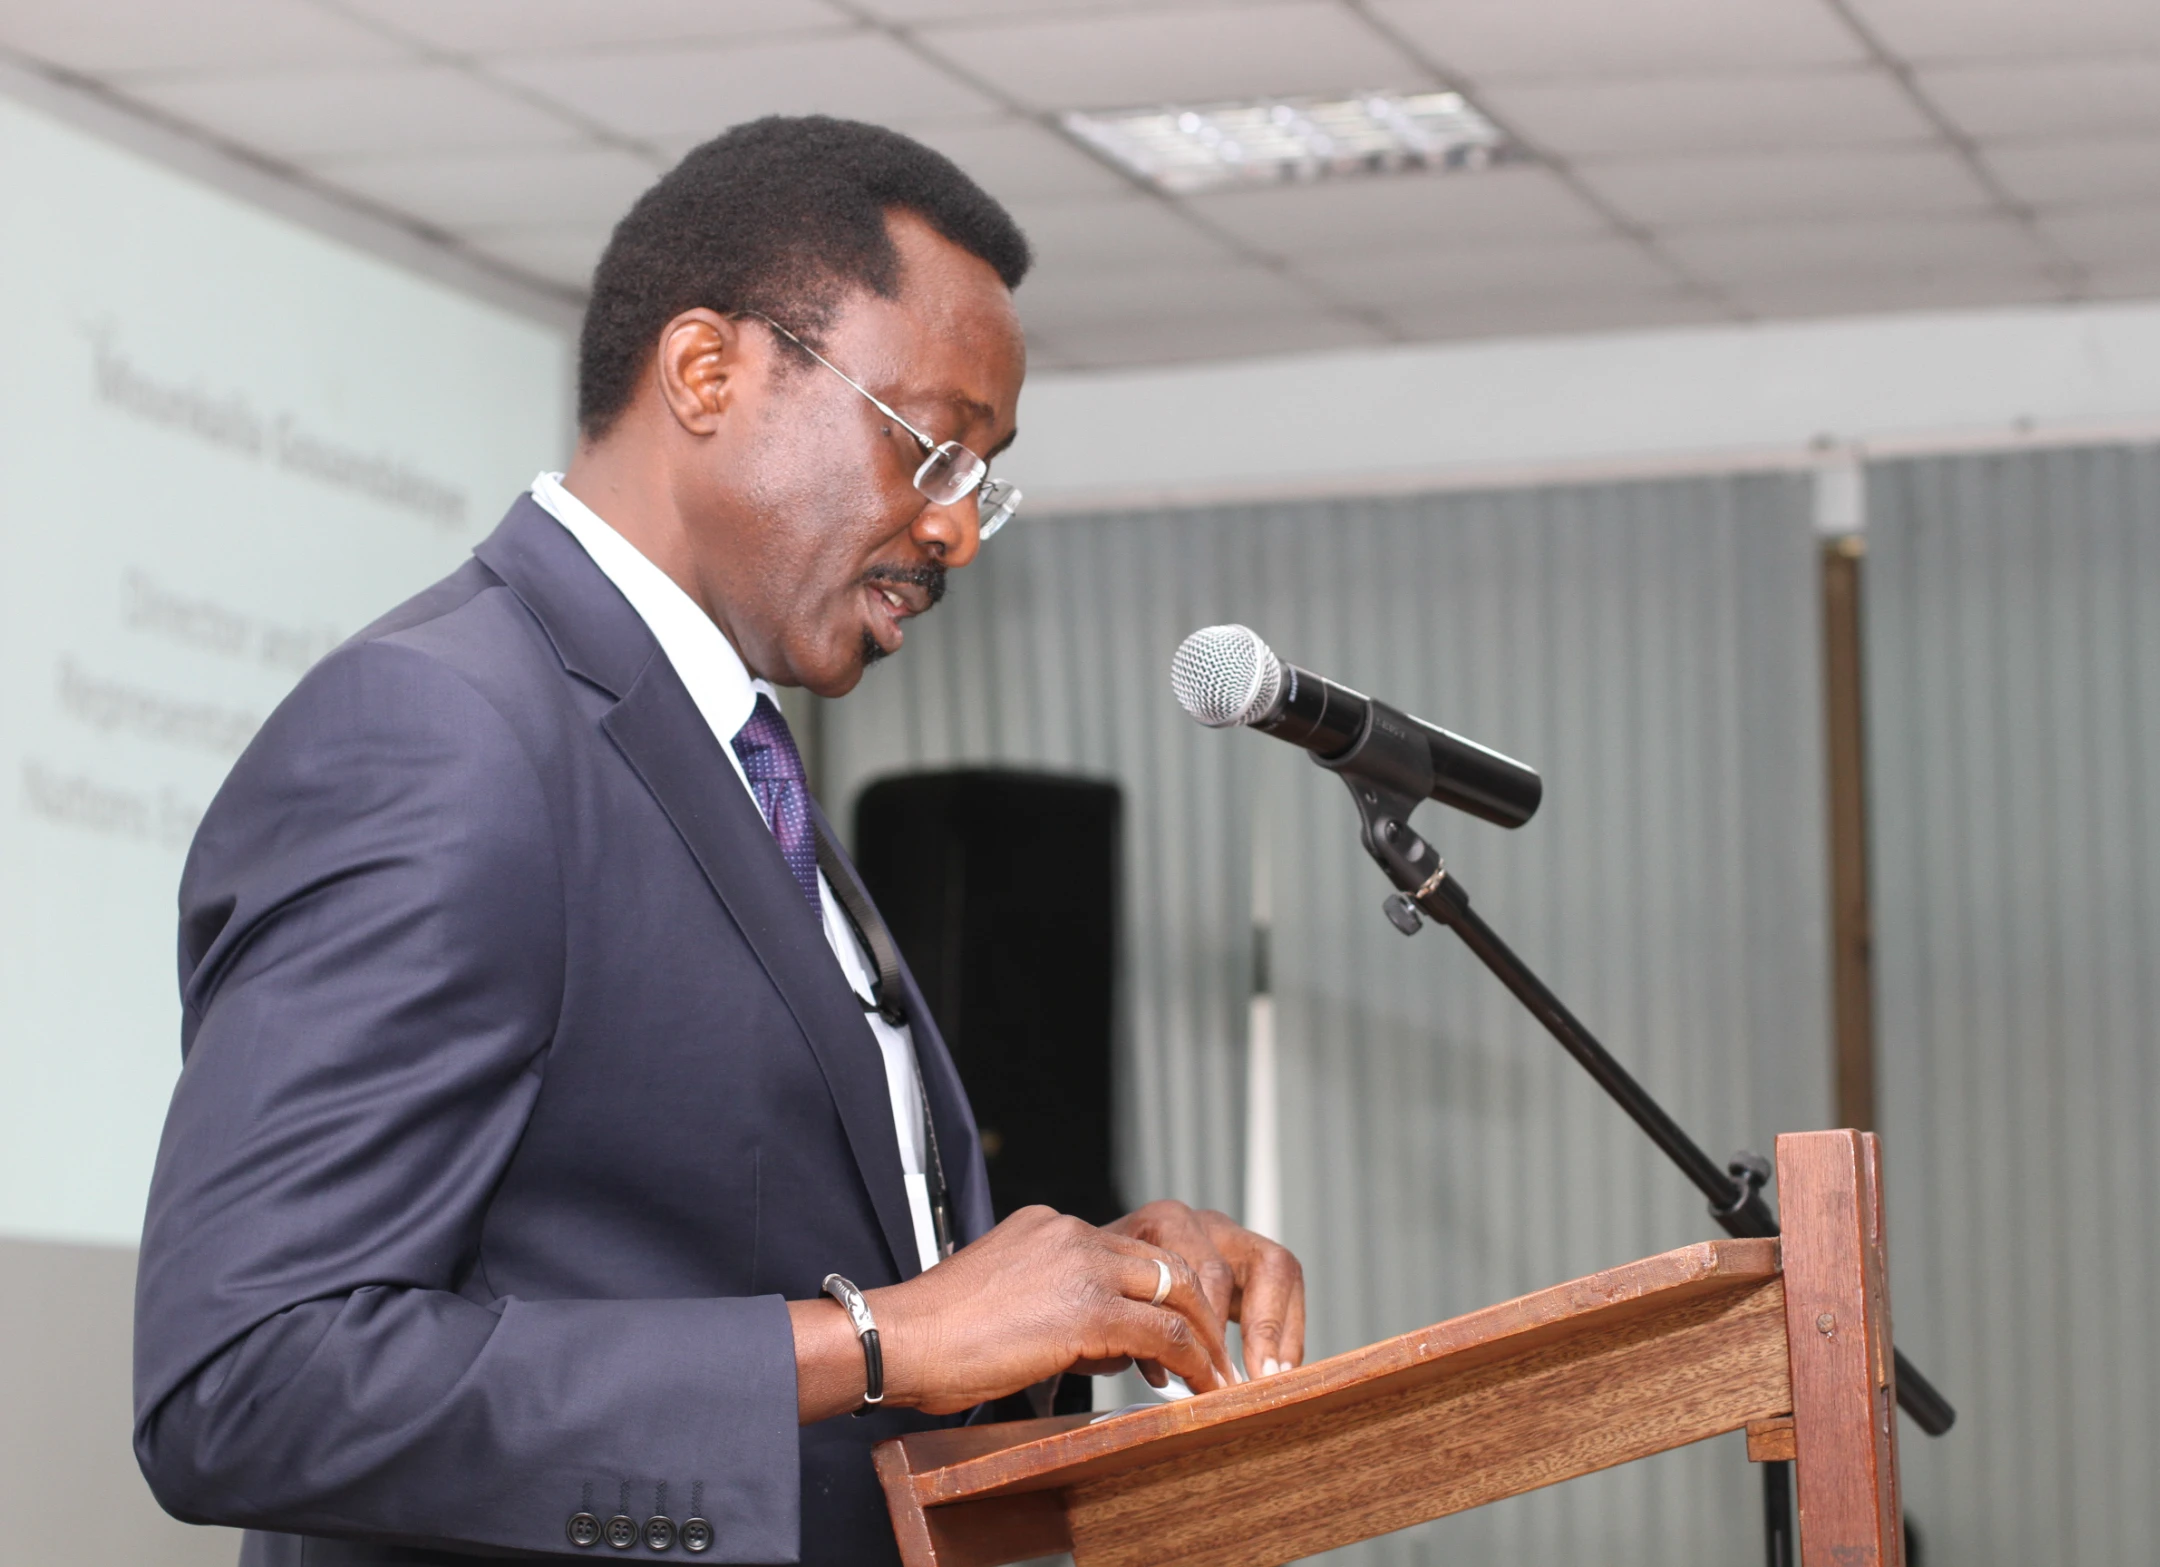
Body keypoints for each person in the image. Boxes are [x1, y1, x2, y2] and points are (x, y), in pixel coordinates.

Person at [133, 115, 1305, 1566]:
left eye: (983, 478)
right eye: (937, 448)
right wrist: (883, 1336)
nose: (960, 534)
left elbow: (746, 1265)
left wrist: (1083, 1297)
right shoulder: (445, 727)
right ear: (706, 371)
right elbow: (246, 1380)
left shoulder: (735, 761)